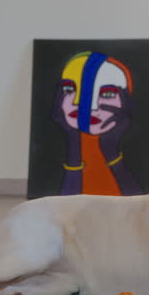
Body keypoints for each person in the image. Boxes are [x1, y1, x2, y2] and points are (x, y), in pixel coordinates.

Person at [50, 52, 142, 196]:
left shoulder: (138, 154)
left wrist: (110, 150)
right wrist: (74, 144)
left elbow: (137, 202)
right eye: (70, 89)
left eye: (107, 94)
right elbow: (65, 204)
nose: (88, 106)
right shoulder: (50, 155)